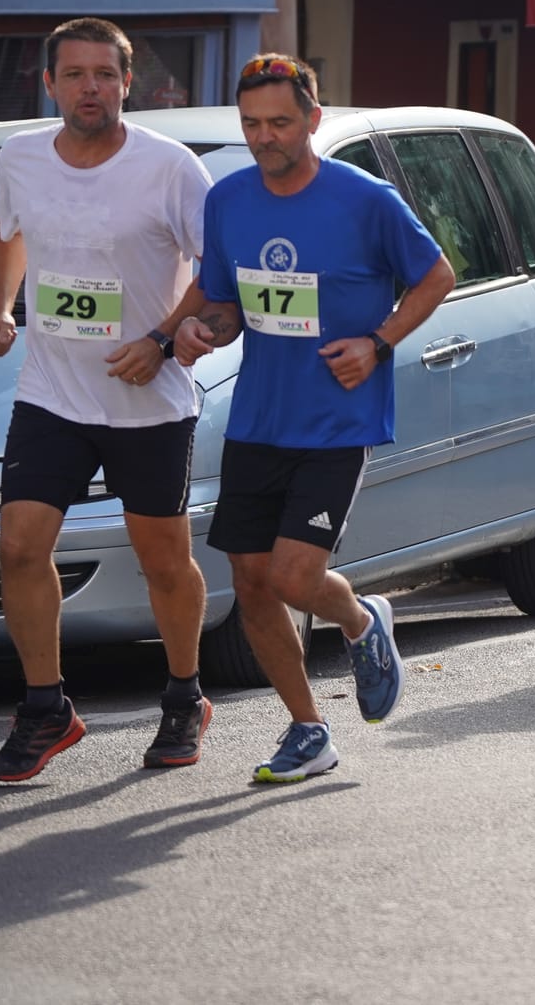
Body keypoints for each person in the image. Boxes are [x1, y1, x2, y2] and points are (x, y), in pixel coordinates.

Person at [175, 54, 454, 784]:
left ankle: (362, 620)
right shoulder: (229, 199)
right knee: (254, 582)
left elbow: (436, 275)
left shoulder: (365, 199)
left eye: (280, 122)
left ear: (313, 119)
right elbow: (226, 302)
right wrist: (205, 328)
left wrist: (380, 341)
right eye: (252, 124)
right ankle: (307, 728)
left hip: (338, 415)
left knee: (298, 576)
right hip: (257, 416)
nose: (264, 137)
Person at [0, 17, 217, 783]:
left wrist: (167, 335)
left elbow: (221, 271)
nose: (90, 87)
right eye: (75, 74)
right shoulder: (20, 156)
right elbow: (3, 228)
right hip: (51, 391)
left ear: (126, 82)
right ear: (49, 83)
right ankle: (46, 707)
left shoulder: (170, 168)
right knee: (17, 546)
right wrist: (2, 307)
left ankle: (184, 695)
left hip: (146, 400)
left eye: (104, 75)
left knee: (163, 563)